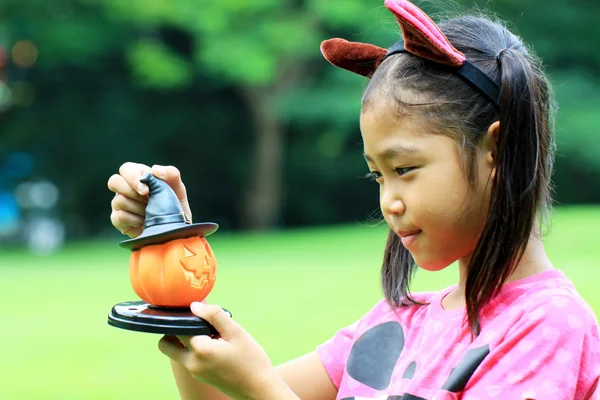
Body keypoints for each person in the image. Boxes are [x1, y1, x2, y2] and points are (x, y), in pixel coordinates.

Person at [107, 0, 600, 398]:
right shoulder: (394, 323)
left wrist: (260, 390)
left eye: (404, 169)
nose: (389, 202)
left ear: (497, 147)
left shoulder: (546, 328)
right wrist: (174, 253)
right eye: (378, 177)